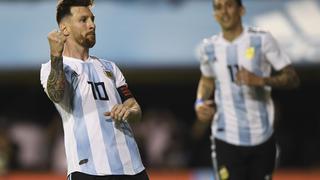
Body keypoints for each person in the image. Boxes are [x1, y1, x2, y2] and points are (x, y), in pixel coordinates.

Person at [40, 0, 149, 179]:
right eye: (83, 20)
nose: (92, 25)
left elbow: (135, 109)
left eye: (92, 19)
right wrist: (55, 56)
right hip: (88, 170)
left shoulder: (110, 67)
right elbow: (56, 94)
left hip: (133, 168)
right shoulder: (52, 67)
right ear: (64, 29)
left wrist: (129, 111)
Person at [194, 0, 300, 179]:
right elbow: (207, 78)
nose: (224, 12)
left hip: (262, 138)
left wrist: (261, 80)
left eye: (229, 5)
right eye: (218, 7)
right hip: (225, 138)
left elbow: (292, 78)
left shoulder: (262, 40)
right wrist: (199, 102)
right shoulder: (209, 48)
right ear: (214, 14)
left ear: (241, 10)